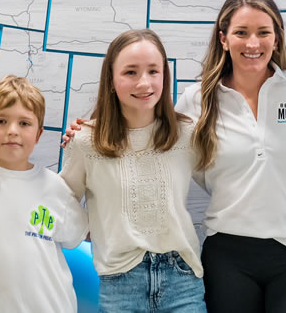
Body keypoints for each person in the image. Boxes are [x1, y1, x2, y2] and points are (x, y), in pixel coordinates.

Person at [178, 0, 286, 312]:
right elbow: (156, 150)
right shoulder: (196, 100)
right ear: (223, 39)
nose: (253, 44)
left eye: (263, 33)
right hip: (228, 253)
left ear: (277, 38)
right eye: (241, 33)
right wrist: (89, 133)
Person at [60, 29, 206, 312]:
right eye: (130, 72)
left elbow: (234, 168)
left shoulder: (188, 134)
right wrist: (91, 227)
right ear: (111, 80)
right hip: (120, 284)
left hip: (182, 281)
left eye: (154, 71)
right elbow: (60, 199)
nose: (144, 82)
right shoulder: (86, 141)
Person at [0, 75, 88, 313]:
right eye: (1, 121)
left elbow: (78, 236)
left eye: (24, 124)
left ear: (38, 134)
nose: (12, 131)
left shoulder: (55, 188)